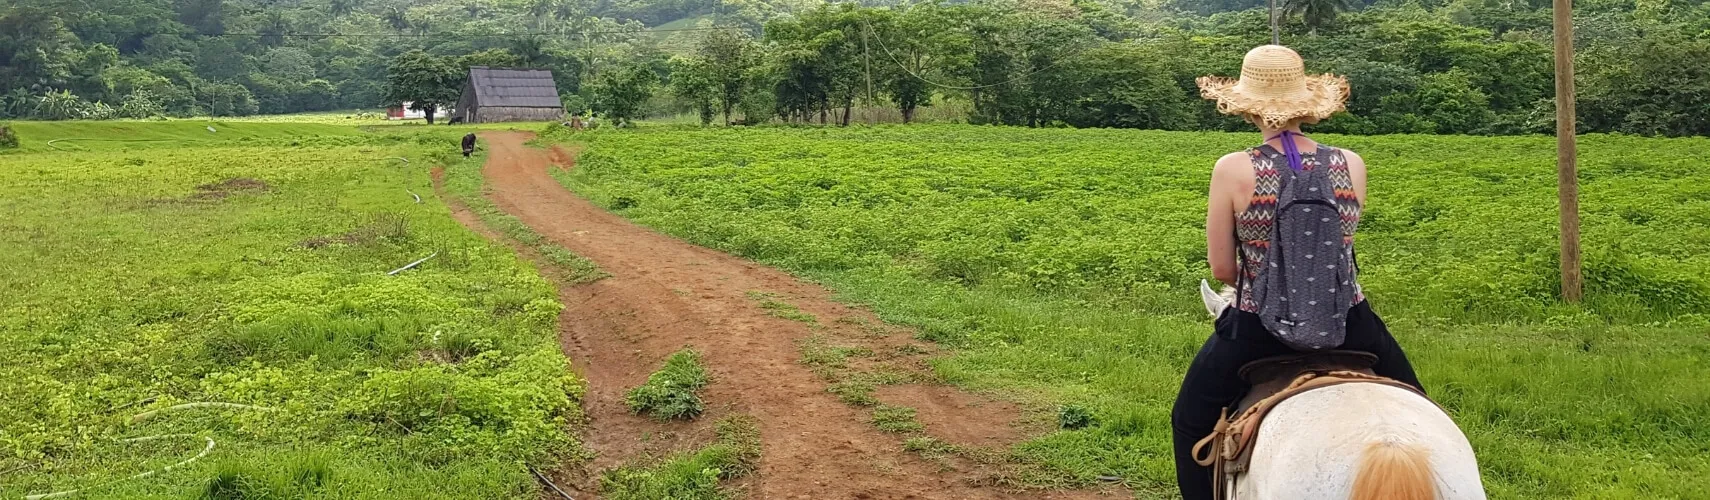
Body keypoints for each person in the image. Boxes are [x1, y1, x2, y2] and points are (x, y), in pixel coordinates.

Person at [1171, 45, 1426, 500]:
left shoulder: (1232, 169)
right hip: (1349, 323)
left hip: (1257, 327)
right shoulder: (1350, 163)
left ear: (1246, 106)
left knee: (1190, 417)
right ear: (1306, 104)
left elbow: (1223, 268)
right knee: (1419, 407)